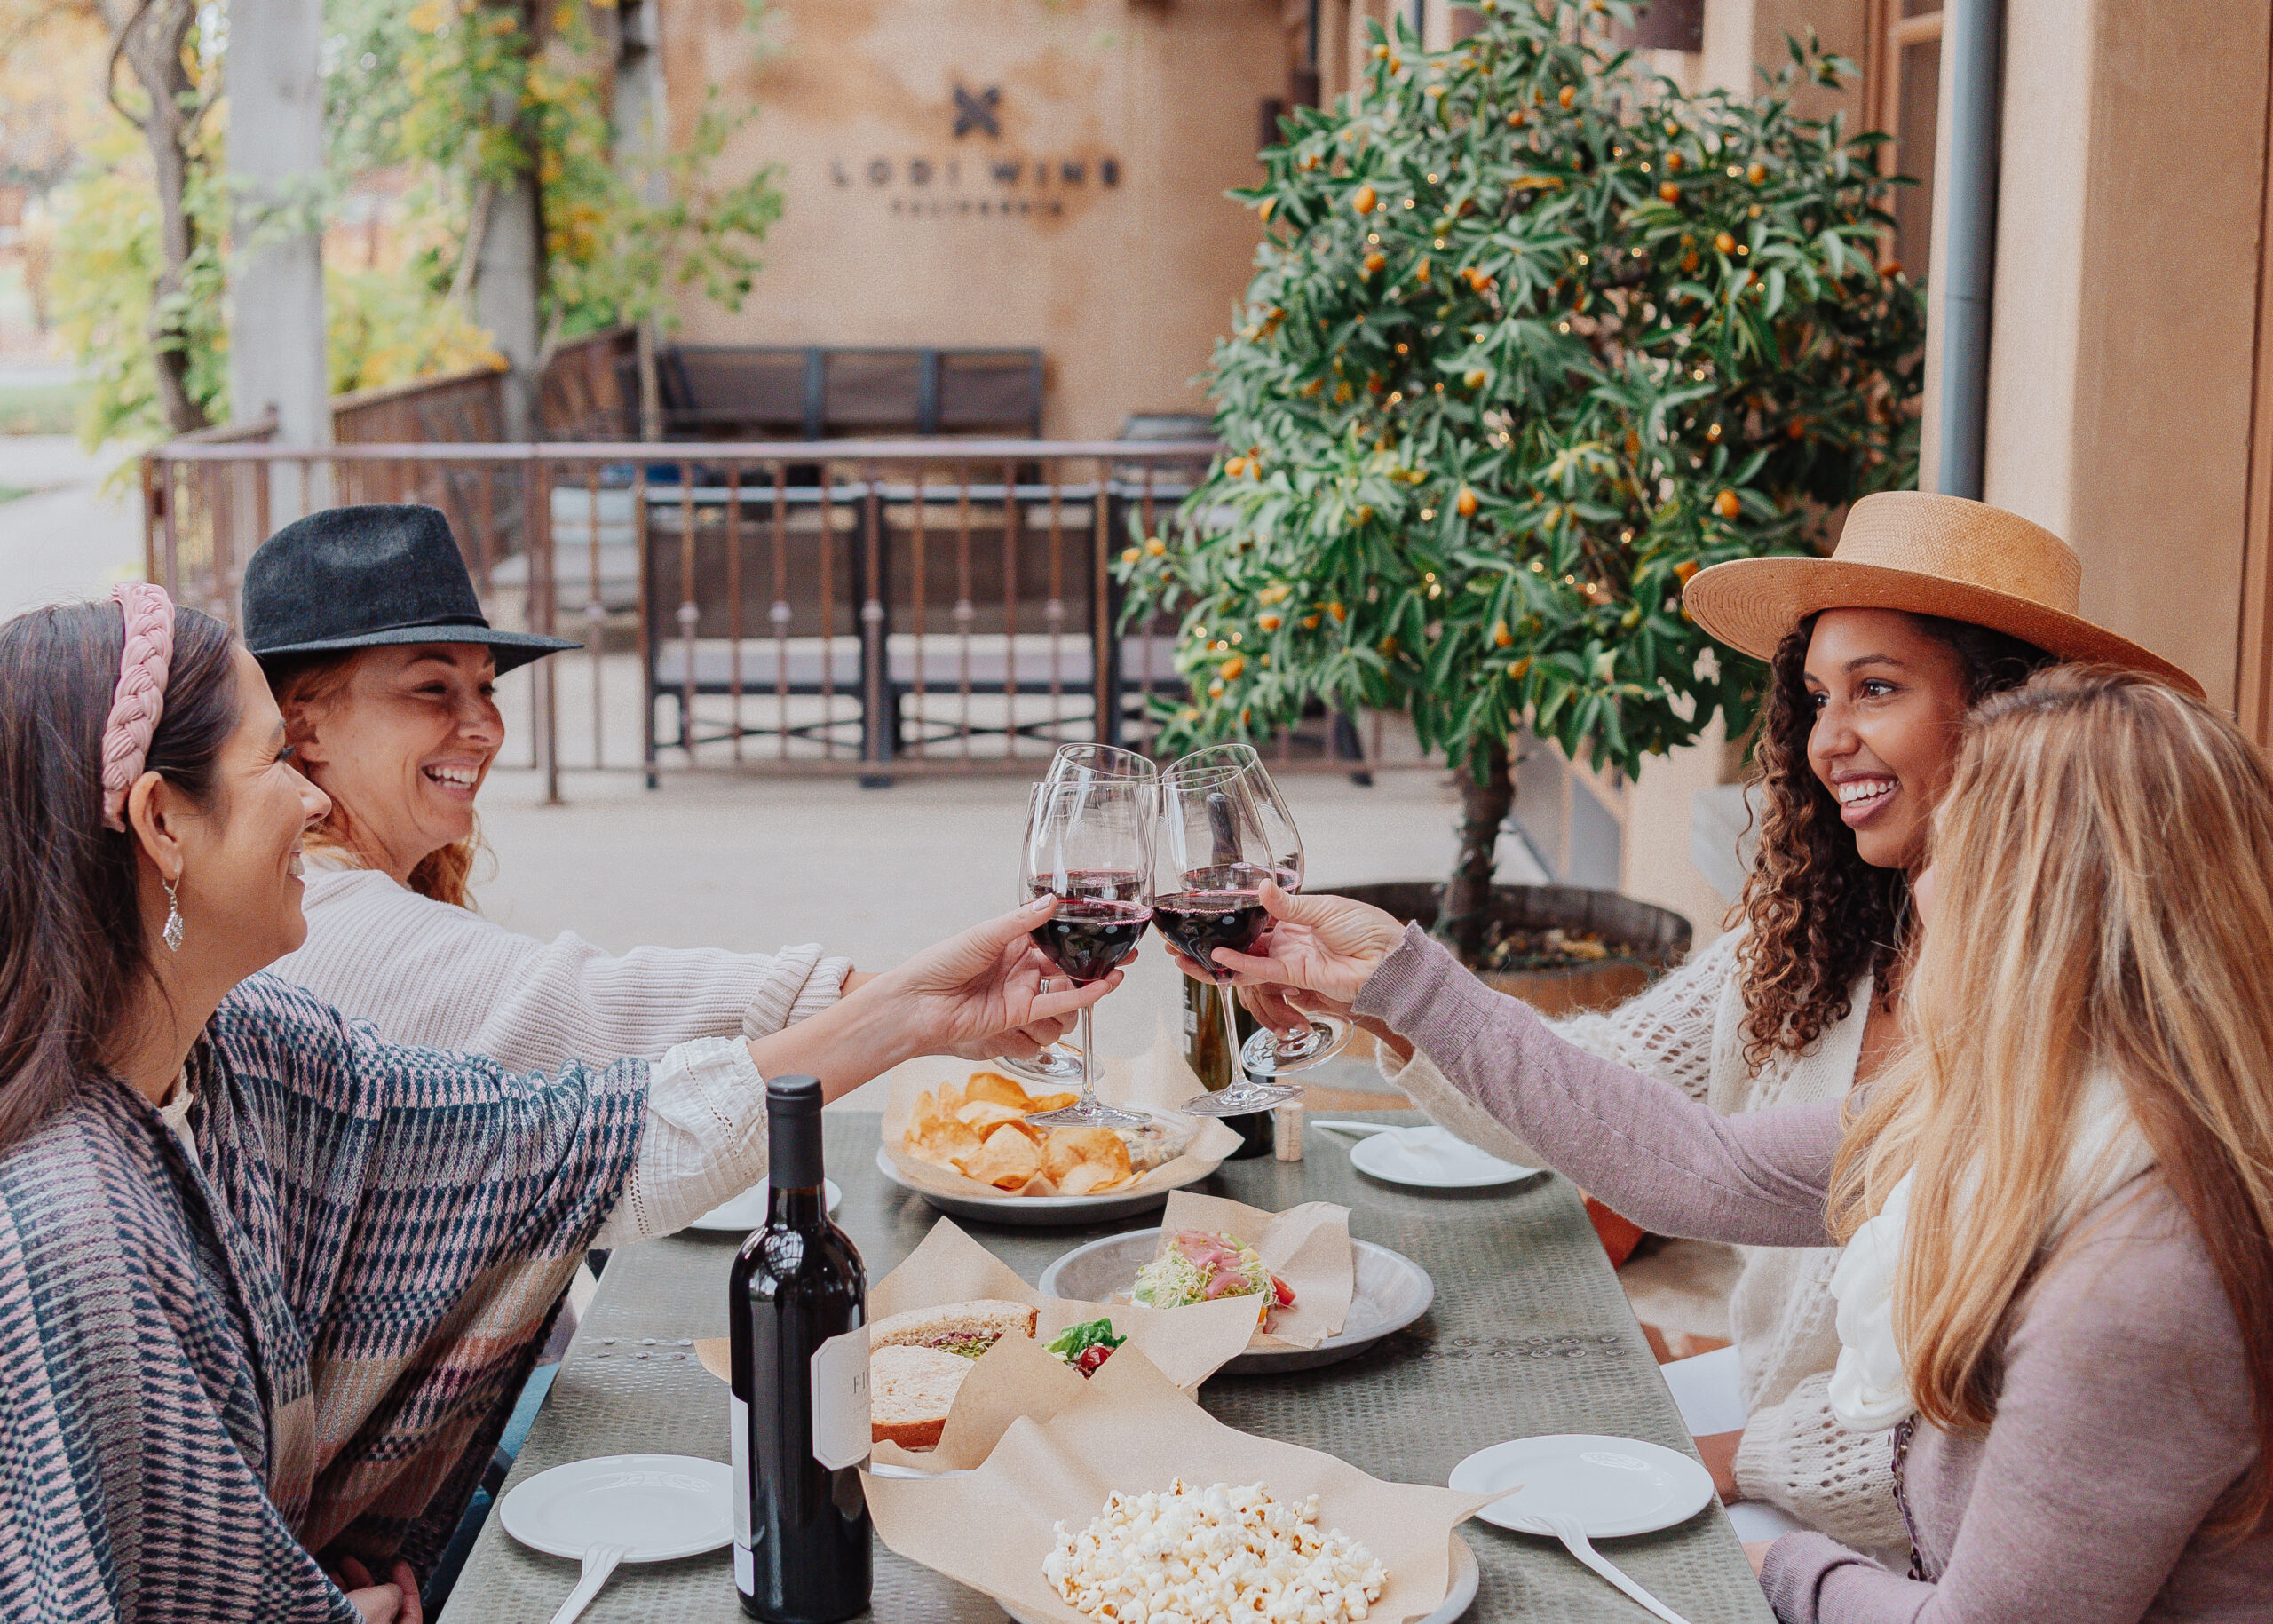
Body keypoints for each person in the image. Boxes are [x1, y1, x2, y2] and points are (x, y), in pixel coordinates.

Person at [0, 587, 1124, 1622]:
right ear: (160, 822)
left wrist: (920, 1011)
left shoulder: (244, 1053)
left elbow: (567, 1136)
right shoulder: (66, 1224)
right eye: (271, 762)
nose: (309, 797)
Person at [1222, 491, 2203, 1555]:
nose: (1830, 741)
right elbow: (1630, 1121)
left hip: (1901, 1516)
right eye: (1816, 696)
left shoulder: (2087, 1042)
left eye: (1877, 689)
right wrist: (1385, 989)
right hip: (1783, 1415)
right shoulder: (1813, 935)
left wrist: (1731, 1454)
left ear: (2016, 716)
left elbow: (2011, 1446)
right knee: (1420, 1447)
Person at [237, 503, 1070, 1079]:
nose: (483, 726)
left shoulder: (362, 888)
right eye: (431, 689)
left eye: (486, 688)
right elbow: (588, 1008)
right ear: (303, 727)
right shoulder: (324, 916)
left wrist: (911, 1009)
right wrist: (905, 1005)